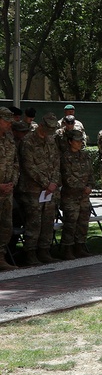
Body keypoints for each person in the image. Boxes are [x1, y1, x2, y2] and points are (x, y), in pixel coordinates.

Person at [19, 112, 61, 265]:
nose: (50, 132)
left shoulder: (50, 140)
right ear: (41, 126)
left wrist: (54, 182)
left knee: (48, 221)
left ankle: (44, 251)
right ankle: (30, 253)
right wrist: (46, 183)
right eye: (48, 129)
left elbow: (56, 162)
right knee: (34, 222)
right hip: (33, 189)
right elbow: (29, 166)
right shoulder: (28, 141)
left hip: (50, 190)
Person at [59, 130, 94, 259]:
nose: (80, 143)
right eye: (77, 141)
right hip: (71, 196)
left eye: (81, 141)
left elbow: (90, 174)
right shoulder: (65, 157)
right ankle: (67, 248)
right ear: (70, 142)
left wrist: (90, 186)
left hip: (84, 196)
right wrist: (82, 187)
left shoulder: (84, 156)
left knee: (83, 222)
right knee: (70, 223)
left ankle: (80, 246)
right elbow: (67, 177)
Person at [0, 107, 18, 270]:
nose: (8, 124)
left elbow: (15, 163)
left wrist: (12, 182)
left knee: (6, 225)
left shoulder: (9, 138)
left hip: (7, 191)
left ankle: (1, 257)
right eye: (6, 121)